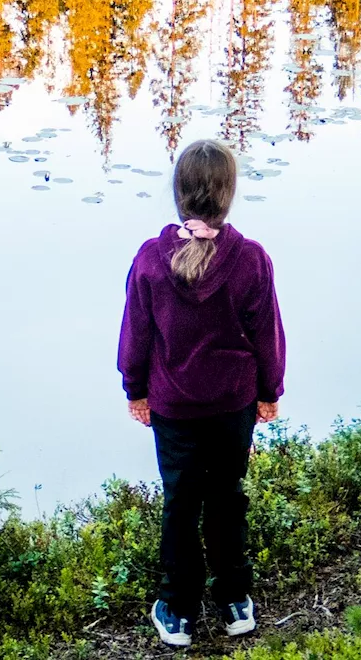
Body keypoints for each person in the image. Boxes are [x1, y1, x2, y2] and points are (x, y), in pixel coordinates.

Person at [117, 139, 286, 648]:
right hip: (232, 404)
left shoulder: (151, 259)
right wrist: (268, 392)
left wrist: (136, 389)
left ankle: (177, 609)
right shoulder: (251, 259)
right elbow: (268, 337)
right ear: (228, 194)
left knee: (181, 501)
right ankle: (235, 599)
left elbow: (135, 335)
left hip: (174, 407)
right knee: (227, 496)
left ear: (179, 194)